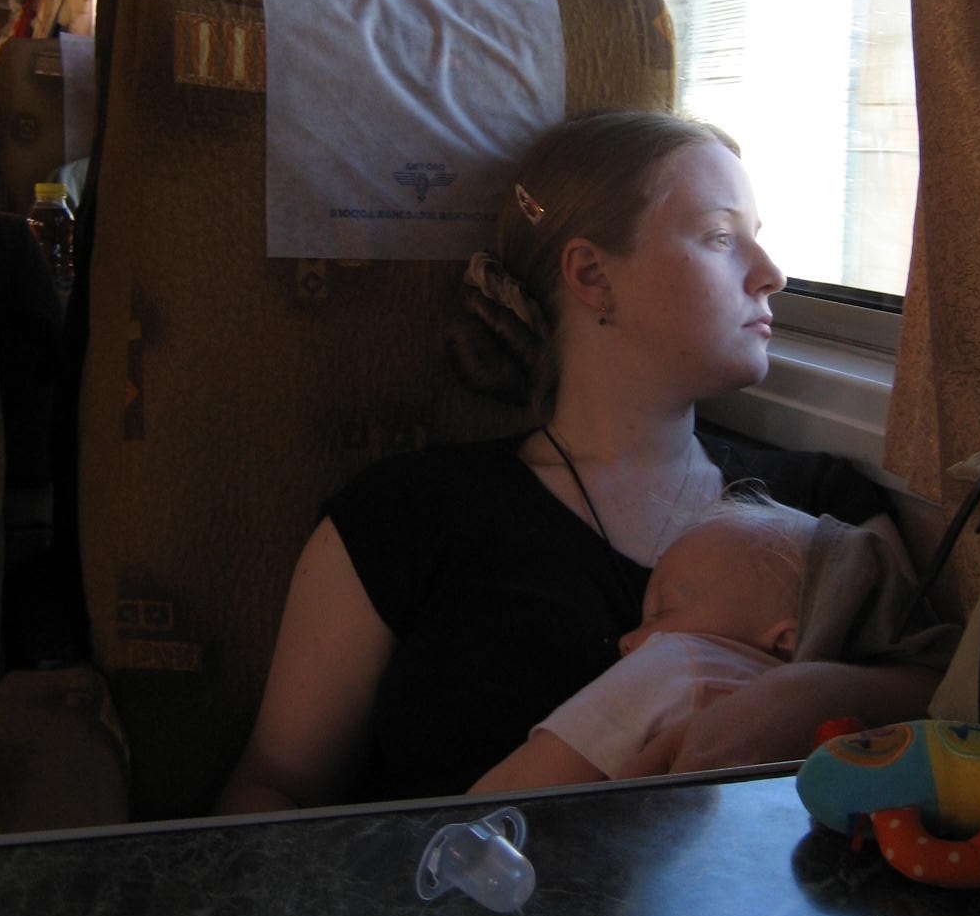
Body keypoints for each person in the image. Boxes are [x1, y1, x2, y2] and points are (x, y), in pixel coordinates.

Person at [216, 110, 943, 814]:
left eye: (758, 239)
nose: (772, 274)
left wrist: (814, 695)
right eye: (722, 238)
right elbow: (277, 786)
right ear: (593, 275)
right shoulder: (408, 514)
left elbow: (947, 698)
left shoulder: (820, 507)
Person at [469, 494, 957, 794]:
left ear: (785, 641)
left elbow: (512, 794)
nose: (626, 641)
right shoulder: (854, 737)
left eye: (662, 612)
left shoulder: (681, 665)